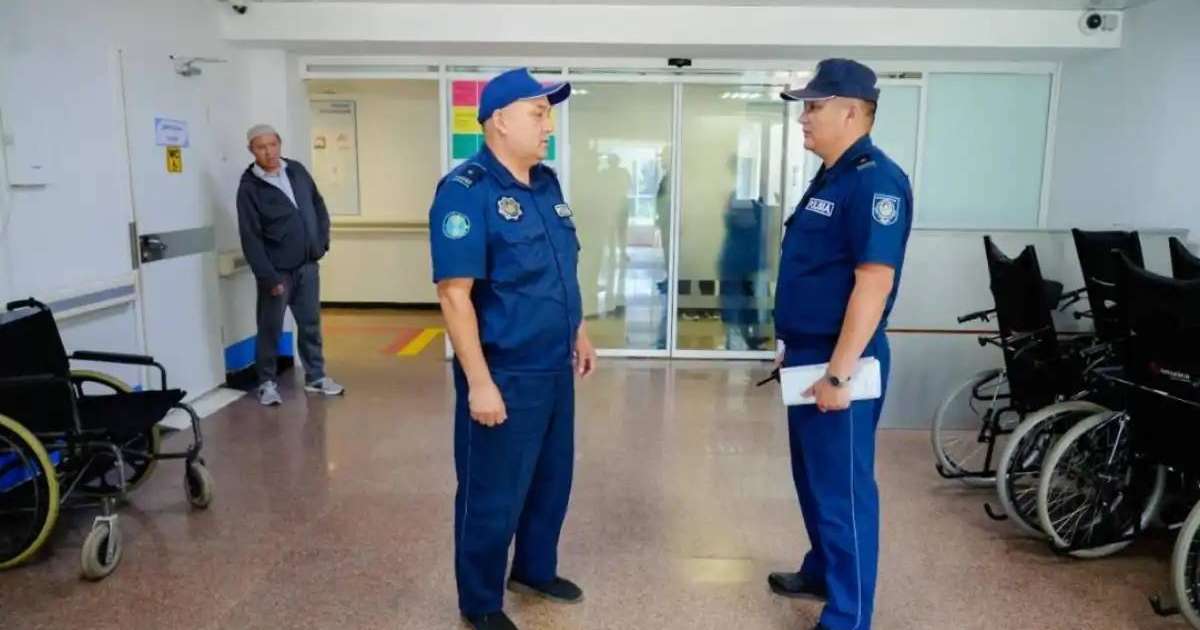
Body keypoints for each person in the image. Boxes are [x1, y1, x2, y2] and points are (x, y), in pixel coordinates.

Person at [427, 68, 598, 630]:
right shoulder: (464, 191)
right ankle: (479, 601)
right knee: (492, 492)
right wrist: (479, 381)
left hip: (554, 365)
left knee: (551, 479)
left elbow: (557, 268)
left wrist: (578, 331)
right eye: (538, 112)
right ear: (499, 120)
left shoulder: (546, 183)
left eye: (548, 113)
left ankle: (533, 569)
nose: (548, 124)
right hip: (505, 370)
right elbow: (455, 296)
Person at [767, 59, 913, 630]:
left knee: (843, 489)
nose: (804, 118)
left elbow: (873, 283)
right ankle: (823, 569)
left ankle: (849, 615)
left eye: (814, 107)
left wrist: (839, 374)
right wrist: (794, 345)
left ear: (851, 111)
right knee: (812, 477)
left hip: (841, 363)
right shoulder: (833, 174)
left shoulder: (876, 180)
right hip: (809, 354)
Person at [236, 124, 344, 406]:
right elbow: (250, 236)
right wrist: (268, 277)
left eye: (272, 145)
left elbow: (318, 206)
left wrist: (321, 242)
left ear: (280, 144)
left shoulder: (295, 170)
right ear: (252, 150)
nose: (269, 152)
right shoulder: (250, 187)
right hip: (277, 272)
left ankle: (316, 377)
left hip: (308, 265)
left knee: (310, 324)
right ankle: (267, 383)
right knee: (270, 327)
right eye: (261, 147)